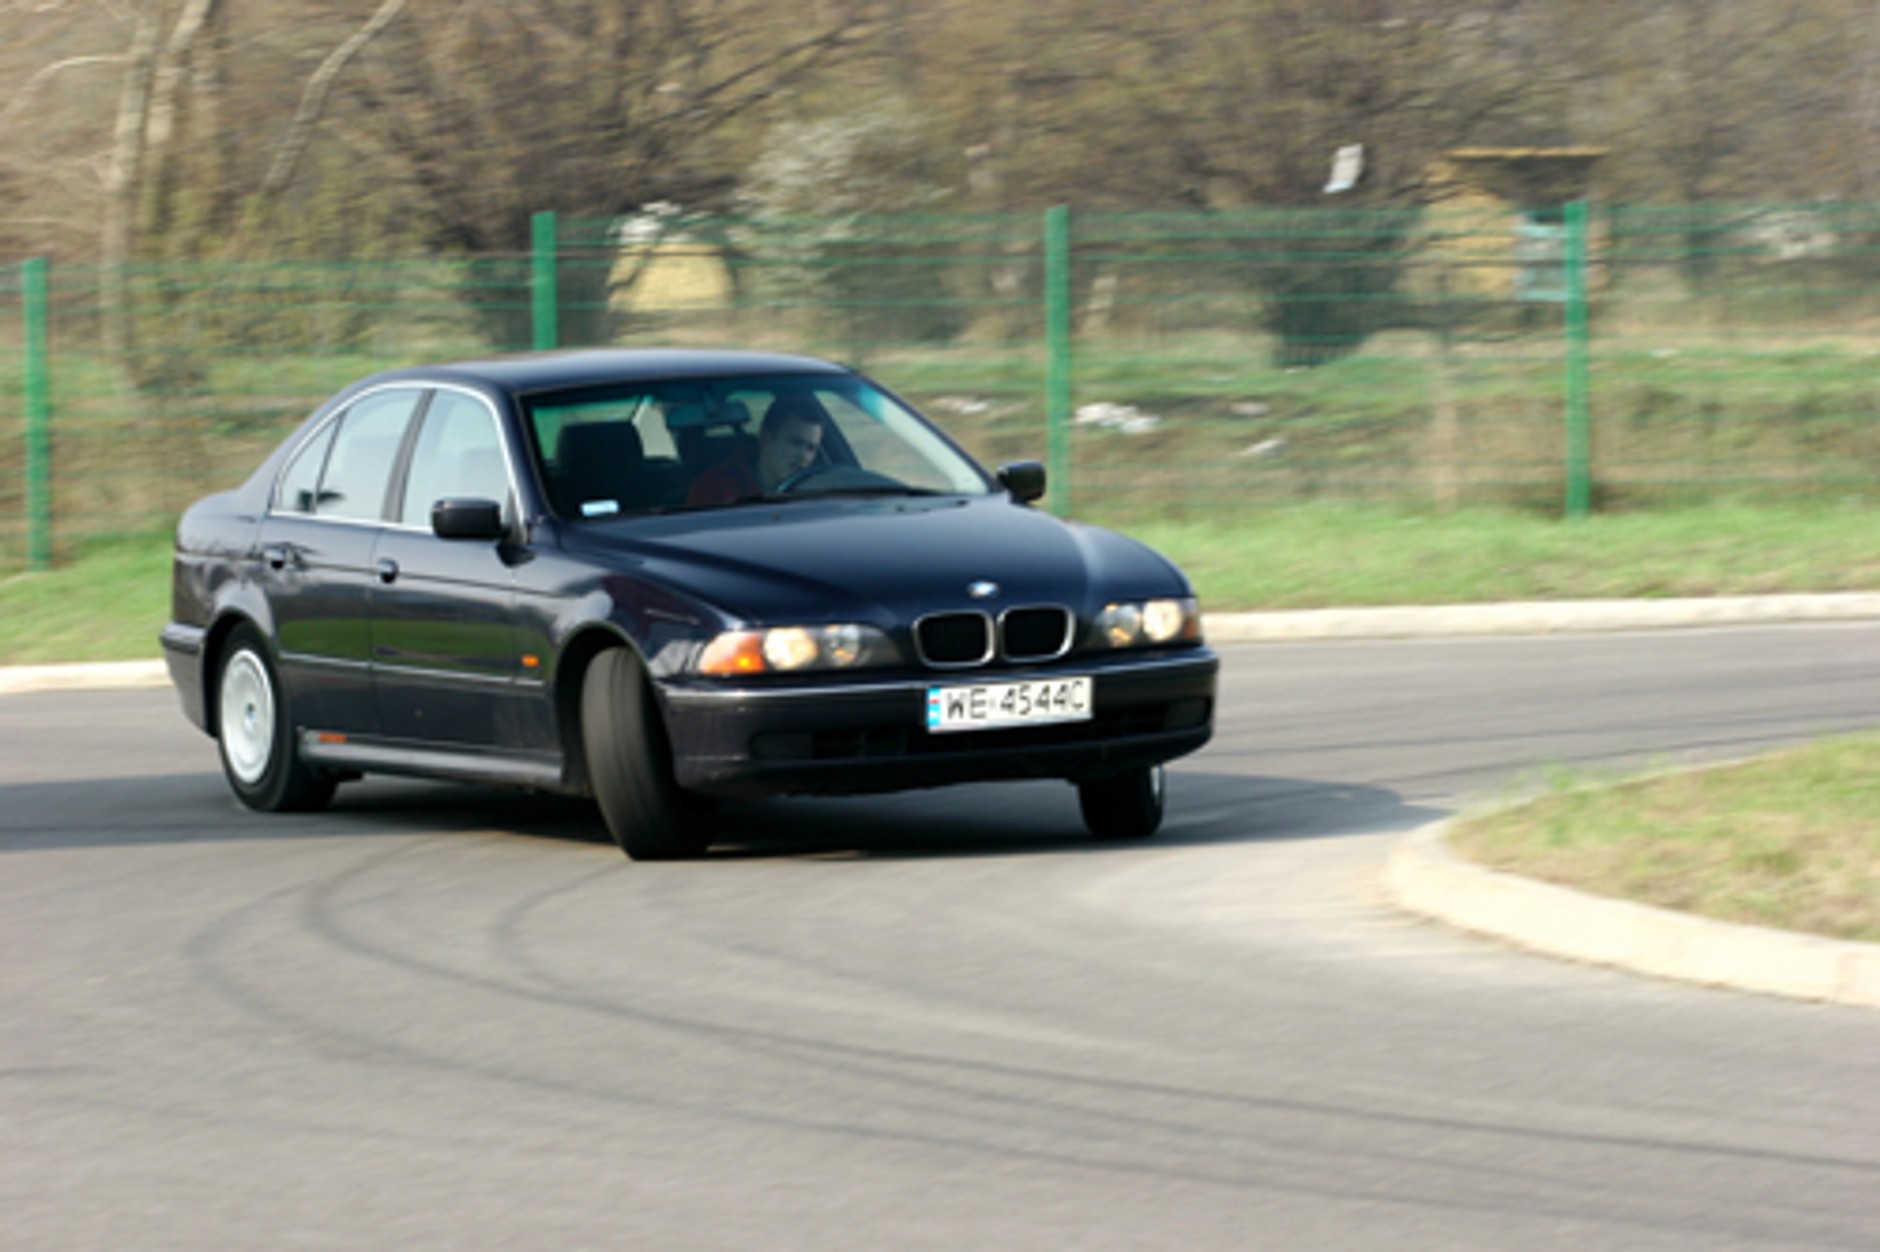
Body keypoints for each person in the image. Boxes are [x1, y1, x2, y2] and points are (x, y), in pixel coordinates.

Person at [685, 396, 826, 506]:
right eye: (795, 443)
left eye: (811, 448)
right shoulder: (713, 488)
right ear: (766, 439)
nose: (803, 456)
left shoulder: (823, 492)